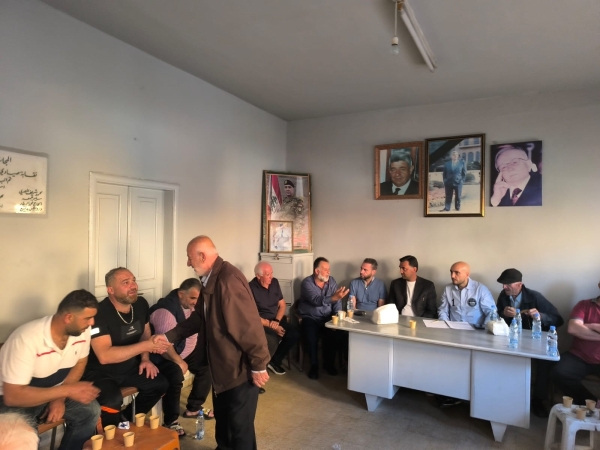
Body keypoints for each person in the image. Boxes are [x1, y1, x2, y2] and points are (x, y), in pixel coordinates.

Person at [164, 236, 270, 450]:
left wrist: (259, 364)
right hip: (222, 368)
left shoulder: (228, 280)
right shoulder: (210, 279)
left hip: (238, 370)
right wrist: (169, 336)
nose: (188, 263)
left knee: (239, 429)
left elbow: (247, 327)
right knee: (224, 421)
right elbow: (199, 318)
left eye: (190, 258)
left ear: (202, 256)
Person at [0, 290, 101, 450]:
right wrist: (66, 390)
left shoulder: (82, 331)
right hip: (15, 402)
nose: (92, 323)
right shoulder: (26, 339)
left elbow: (80, 362)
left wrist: (59, 398)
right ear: (68, 318)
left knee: (91, 411)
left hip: (53, 391)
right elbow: (13, 397)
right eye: (88, 318)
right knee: (22, 438)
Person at [83, 268, 171, 430]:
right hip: (101, 373)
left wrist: (145, 359)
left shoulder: (140, 304)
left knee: (160, 384)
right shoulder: (99, 313)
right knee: (111, 400)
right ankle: (110, 437)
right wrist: (146, 346)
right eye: (126, 282)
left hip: (129, 367)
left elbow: (145, 332)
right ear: (110, 290)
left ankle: (125, 420)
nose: (133, 286)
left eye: (134, 280)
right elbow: (104, 356)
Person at [496, 268, 564, 417]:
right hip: (514, 338)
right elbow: (497, 316)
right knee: (498, 355)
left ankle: (538, 400)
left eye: (508, 284)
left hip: (536, 340)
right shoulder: (503, 296)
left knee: (544, 364)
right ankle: (506, 394)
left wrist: (540, 316)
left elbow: (558, 319)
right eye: (503, 284)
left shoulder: (535, 297)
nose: (504, 287)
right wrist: (503, 313)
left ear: (519, 284)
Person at [149, 278, 214, 423]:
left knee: (207, 366)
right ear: (180, 294)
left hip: (186, 350)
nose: (196, 302)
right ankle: (171, 421)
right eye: (192, 298)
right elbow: (164, 345)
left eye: (198, 299)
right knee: (175, 376)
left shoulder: (192, 305)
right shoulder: (165, 311)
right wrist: (179, 362)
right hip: (167, 355)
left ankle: (194, 408)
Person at [298, 257, 349, 380]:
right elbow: (316, 301)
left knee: (337, 334)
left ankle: (328, 364)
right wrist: (333, 298)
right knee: (311, 335)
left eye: (329, 269)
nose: (328, 272)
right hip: (311, 317)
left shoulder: (331, 281)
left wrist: (337, 317)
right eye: (325, 269)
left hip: (327, 317)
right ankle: (314, 366)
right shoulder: (307, 283)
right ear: (317, 271)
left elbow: (337, 302)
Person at [552, 282, 600, 407]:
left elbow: (580, 328)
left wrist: (589, 326)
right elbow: (573, 328)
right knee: (558, 371)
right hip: (579, 356)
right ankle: (593, 404)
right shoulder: (584, 305)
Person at [249, 262, 300, 376]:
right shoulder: (251, 288)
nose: (271, 277)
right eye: (268, 275)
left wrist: (276, 321)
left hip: (275, 319)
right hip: (261, 323)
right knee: (273, 339)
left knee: (294, 333)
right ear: (258, 276)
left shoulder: (274, 282)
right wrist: (272, 326)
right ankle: (261, 368)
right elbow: (252, 316)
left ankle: (275, 361)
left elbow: (282, 305)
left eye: (271, 273)